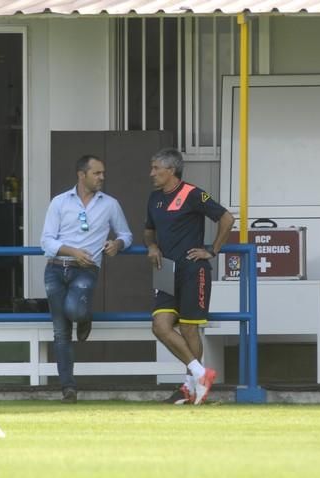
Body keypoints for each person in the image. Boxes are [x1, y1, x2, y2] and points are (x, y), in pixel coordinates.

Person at [144, 148, 235, 405]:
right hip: (166, 270)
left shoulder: (194, 194)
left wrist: (212, 250)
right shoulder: (154, 199)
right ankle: (199, 374)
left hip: (194, 271)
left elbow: (227, 218)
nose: (151, 173)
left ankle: (191, 388)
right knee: (160, 326)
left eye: (155, 168)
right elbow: (148, 231)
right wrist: (151, 246)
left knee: (188, 328)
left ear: (170, 170)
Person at [40, 155, 133, 403]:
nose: (102, 177)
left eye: (103, 173)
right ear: (82, 175)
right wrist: (72, 252)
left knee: (74, 310)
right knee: (61, 333)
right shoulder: (59, 202)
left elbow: (126, 233)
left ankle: (84, 316)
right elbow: (46, 241)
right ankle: (68, 388)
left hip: (86, 269)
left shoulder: (110, 204)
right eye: (97, 173)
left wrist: (118, 243)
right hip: (56, 268)